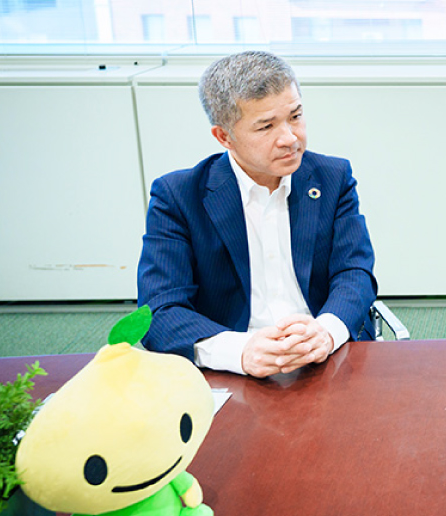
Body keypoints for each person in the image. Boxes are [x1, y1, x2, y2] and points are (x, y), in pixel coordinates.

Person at [137, 51, 378, 378]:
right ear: (224, 137)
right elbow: (159, 310)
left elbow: (355, 272)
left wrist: (327, 330)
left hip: (327, 355)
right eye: (266, 126)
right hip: (233, 364)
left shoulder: (332, 178)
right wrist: (239, 351)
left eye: (295, 116)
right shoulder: (178, 196)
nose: (290, 139)